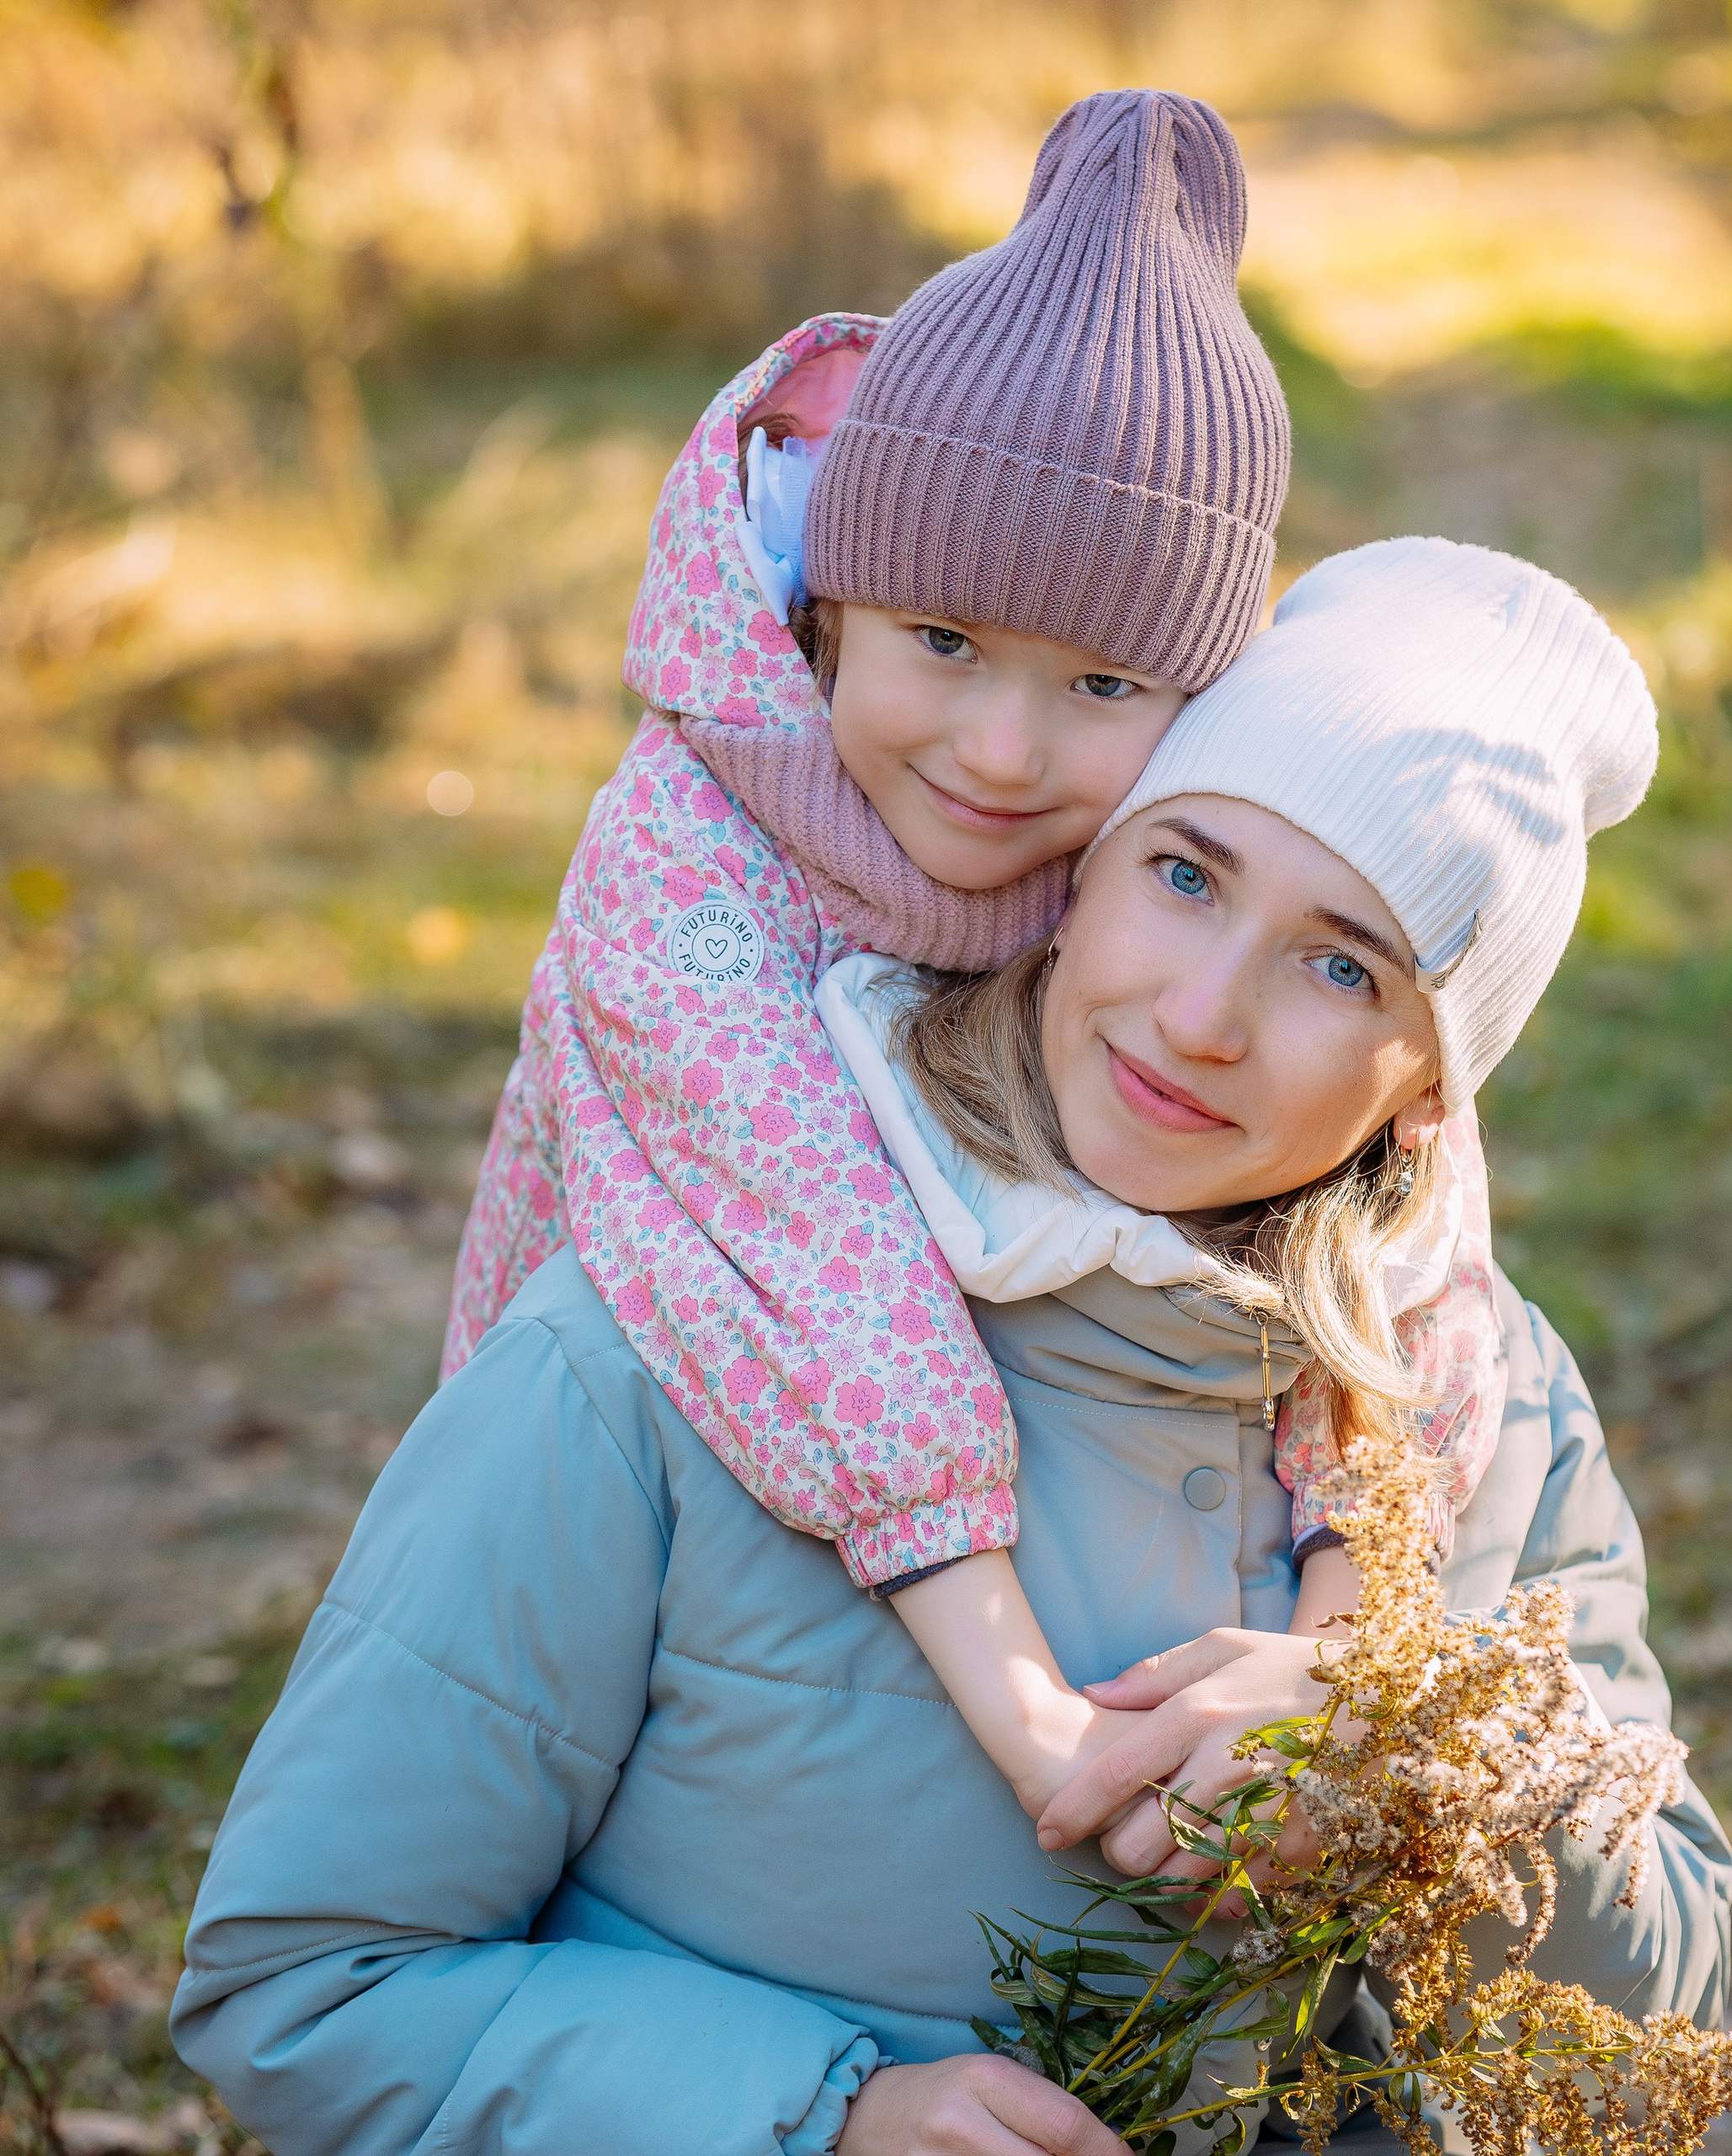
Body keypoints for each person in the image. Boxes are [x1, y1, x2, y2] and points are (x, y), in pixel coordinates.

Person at [173, 540, 1732, 2156]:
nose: (1204, 1013)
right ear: (1078, 883)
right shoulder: (674, 1328)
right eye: (1184, 875)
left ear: (1432, 1080)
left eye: (1343, 966)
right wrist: (817, 2122)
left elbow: (1658, 2014)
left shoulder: (1480, 1405)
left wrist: (1424, 1771)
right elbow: (305, 1988)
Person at [434, 89, 1513, 1822]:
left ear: (1187, 698)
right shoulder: (685, 842)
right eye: (942, 641)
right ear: (832, 608)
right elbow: (814, 1240)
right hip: (628, 1466)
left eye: (1099, 684)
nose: (1002, 758)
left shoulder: (1170, 838)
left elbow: (1403, 1170)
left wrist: (1353, 1618)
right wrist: (1037, 1720)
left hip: (1020, 1516)